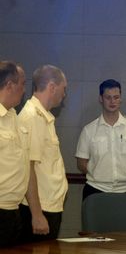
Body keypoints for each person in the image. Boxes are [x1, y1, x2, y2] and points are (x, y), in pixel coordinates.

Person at [18, 65, 68, 242]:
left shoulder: (43, 116)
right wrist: (37, 215)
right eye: (64, 89)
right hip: (40, 209)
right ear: (52, 87)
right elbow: (28, 169)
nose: (64, 95)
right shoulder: (33, 117)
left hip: (48, 206)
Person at [75, 79, 126, 200]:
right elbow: (81, 162)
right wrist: (98, 174)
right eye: (108, 97)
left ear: (120, 98)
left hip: (124, 191)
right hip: (95, 190)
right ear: (101, 99)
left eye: (116, 97)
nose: (112, 101)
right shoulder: (88, 130)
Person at [0, 61, 28, 247]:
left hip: (13, 209)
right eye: (22, 84)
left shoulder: (12, 116)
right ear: (9, 85)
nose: (24, 90)